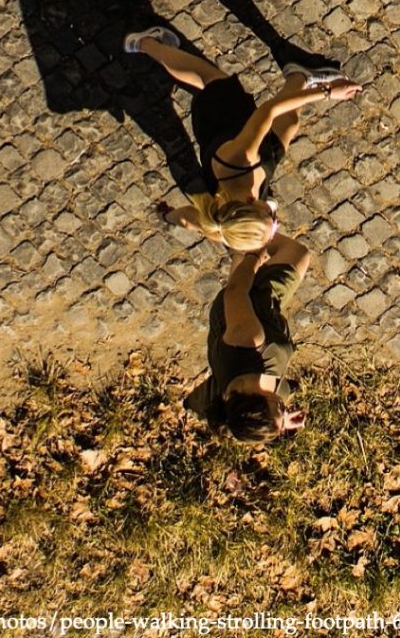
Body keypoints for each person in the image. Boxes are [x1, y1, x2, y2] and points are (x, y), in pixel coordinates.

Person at [127, 26, 358, 251]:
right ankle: (299, 74)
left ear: (251, 204)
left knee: (205, 76)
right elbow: (188, 221)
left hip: (222, 116)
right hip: (259, 161)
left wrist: (327, 92)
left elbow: (269, 110)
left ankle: (144, 43)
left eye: (271, 217)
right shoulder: (223, 226)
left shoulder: (242, 158)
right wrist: (167, 216)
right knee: (289, 124)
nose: (275, 218)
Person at [182, 234, 311, 442]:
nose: (285, 408)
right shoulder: (237, 400)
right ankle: (238, 256)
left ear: (258, 403)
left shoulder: (248, 343)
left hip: (254, 300)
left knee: (297, 254)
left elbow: (235, 292)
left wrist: (255, 256)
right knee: (242, 276)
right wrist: (283, 420)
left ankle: (246, 230)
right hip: (263, 321)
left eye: (279, 409)